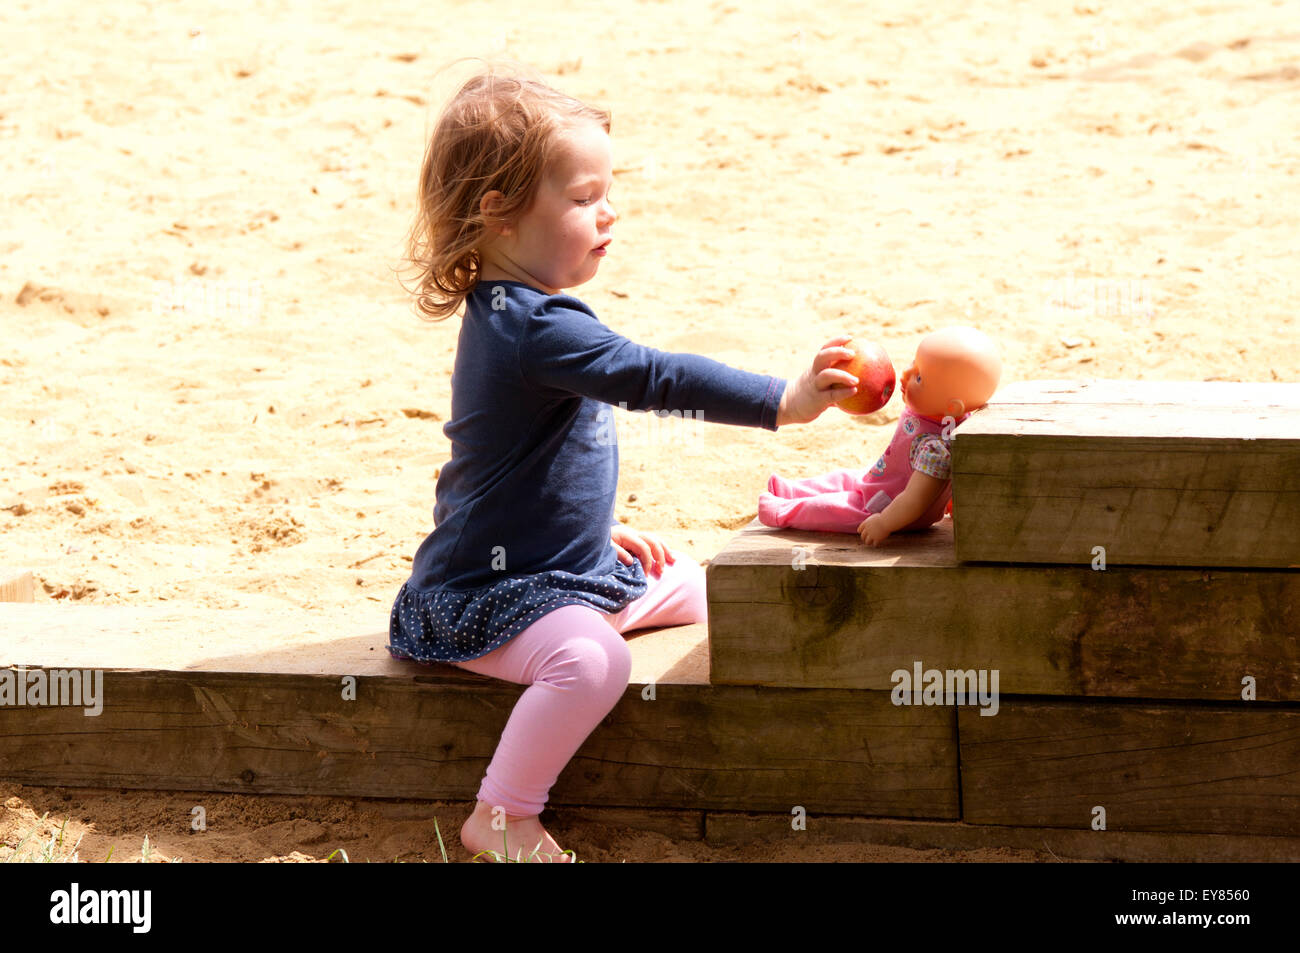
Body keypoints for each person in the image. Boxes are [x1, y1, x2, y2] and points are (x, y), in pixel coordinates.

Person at [389, 67, 860, 861]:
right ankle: (502, 817)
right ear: (496, 212)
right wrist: (788, 398)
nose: (609, 211)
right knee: (592, 660)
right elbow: (655, 377)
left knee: (713, 592)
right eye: (580, 198)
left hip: (562, 569)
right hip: (485, 589)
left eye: (608, 189)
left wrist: (592, 531)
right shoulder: (531, 327)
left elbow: (526, 463)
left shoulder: (520, 308)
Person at [758, 326, 1001, 546]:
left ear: (953, 407)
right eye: (913, 364)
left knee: (838, 510)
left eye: (919, 377)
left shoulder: (935, 449)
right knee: (843, 479)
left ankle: (783, 512)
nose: (905, 375)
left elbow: (915, 499)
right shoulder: (933, 412)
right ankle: (790, 490)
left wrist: (884, 522)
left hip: (891, 506)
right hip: (880, 480)